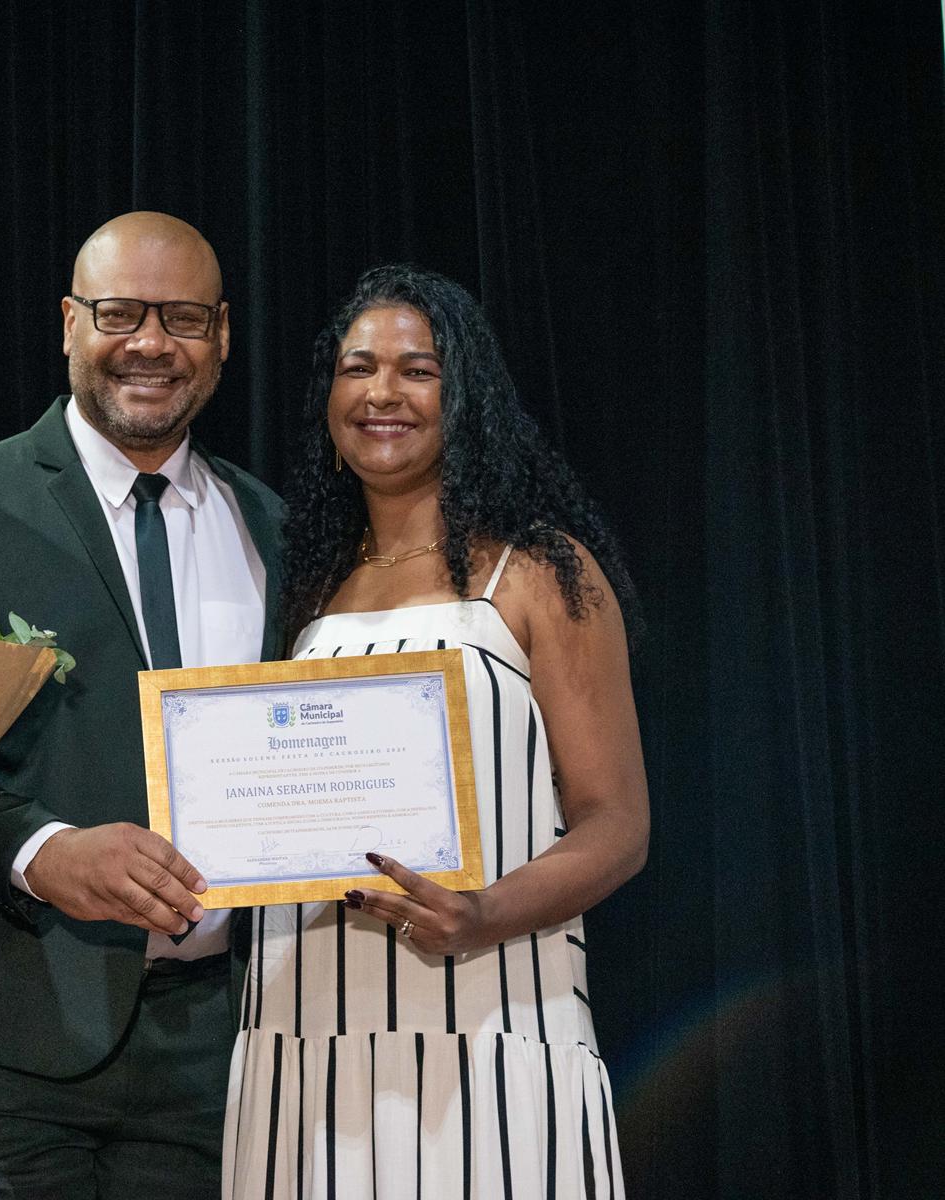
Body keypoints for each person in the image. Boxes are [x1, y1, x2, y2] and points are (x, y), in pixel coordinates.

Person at [0, 211, 284, 1199]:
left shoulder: (272, 525)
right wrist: (43, 852)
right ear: (70, 323)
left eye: (182, 317)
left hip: (218, 1046)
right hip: (5, 1045)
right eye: (119, 313)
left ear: (222, 335)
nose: (150, 342)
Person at [225, 264, 648, 1197]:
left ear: (468, 400)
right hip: (302, 1029)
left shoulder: (538, 571)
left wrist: (482, 914)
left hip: (492, 1013)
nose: (382, 392)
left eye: (418, 370)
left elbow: (618, 823)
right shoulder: (306, 587)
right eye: (358, 368)